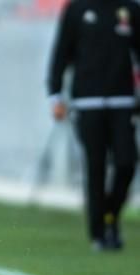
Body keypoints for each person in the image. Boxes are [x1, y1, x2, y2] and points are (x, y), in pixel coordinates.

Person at [48, 0, 140, 251]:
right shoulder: (77, 9)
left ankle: (110, 213)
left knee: (126, 163)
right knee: (96, 166)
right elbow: (61, 52)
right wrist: (55, 95)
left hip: (123, 100)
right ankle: (99, 233)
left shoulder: (130, 9)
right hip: (87, 101)